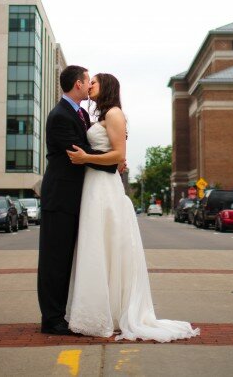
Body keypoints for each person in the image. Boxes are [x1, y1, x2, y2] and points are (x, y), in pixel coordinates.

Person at [66, 73, 199, 342]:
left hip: (104, 186)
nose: (90, 85)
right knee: (96, 244)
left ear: (107, 87)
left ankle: (115, 312)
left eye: (95, 82)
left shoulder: (115, 113)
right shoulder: (102, 115)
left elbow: (119, 155)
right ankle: (100, 309)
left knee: (106, 244)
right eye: (88, 81)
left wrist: (84, 158)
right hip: (94, 183)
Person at [37, 64, 112, 335]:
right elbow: (78, 152)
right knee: (54, 261)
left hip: (76, 197)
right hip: (60, 198)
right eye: (87, 80)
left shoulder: (79, 113)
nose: (90, 85)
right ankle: (52, 319)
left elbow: (89, 148)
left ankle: (62, 314)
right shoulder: (60, 115)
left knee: (67, 259)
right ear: (78, 84)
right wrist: (112, 161)